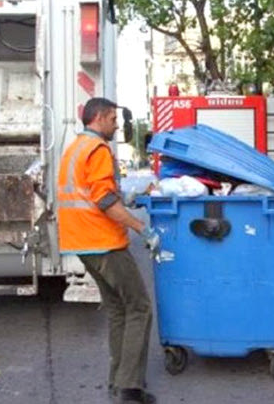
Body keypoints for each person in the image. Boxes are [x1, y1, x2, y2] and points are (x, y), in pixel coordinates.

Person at [57, 97, 159, 403]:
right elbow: (102, 200)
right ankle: (130, 388)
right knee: (139, 307)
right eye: (114, 119)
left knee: (117, 310)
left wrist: (126, 196)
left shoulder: (75, 148)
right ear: (99, 117)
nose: (116, 125)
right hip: (104, 242)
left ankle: (118, 380)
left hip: (81, 243)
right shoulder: (99, 149)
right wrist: (142, 228)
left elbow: (93, 192)